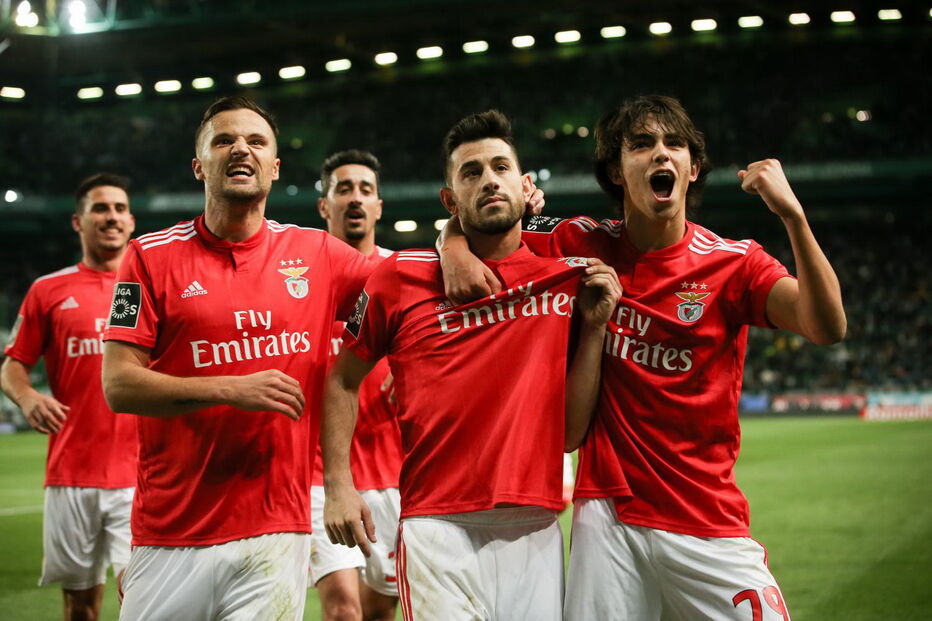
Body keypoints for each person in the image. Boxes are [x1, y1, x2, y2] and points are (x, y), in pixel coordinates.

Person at [440, 95, 846, 619]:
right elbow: (483, 220)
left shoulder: (735, 263)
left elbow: (827, 325)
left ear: (692, 168)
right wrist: (452, 244)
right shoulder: (575, 241)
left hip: (707, 520)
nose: (661, 155)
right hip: (609, 519)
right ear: (616, 169)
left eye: (674, 144)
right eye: (642, 144)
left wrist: (793, 216)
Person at [322, 110, 622, 621]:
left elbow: (570, 435)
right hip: (438, 526)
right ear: (449, 200)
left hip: (536, 524)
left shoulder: (562, 271)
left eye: (500, 167)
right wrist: (338, 486)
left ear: (524, 184)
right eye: (470, 173)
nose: (488, 180)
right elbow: (341, 380)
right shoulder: (399, 277)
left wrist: (593, 329)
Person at [100, 96, 377, 620]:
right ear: (198, 164)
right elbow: (118, 385)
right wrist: (230, 387)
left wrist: (454, 238)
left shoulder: (318, 254)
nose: (240, 149)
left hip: (274, 531)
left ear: (275, 167)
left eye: (256, 141)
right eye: (223, 140)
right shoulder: (148, 257)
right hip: (170, 532)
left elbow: (412, 281)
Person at [1, 172, 137, 620]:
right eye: (100, 208)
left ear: (131, 221)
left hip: (140, 475)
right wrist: (28, 398)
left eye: (119, 208)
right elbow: (13, 365)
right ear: (78, 222)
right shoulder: (49, 290)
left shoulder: (143, 289)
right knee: (80, 603)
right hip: (72, 473)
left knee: (141, 596)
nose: (111, 216)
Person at [311, 149, 401, 621]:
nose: (355, 199)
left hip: (392, 473)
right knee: (343, 610)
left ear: (379, 207)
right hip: (320, 475)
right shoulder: (301, 279)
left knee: (380, 609)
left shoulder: (401, 274)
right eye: (343, 189)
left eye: (365, 190)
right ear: (324, 206)